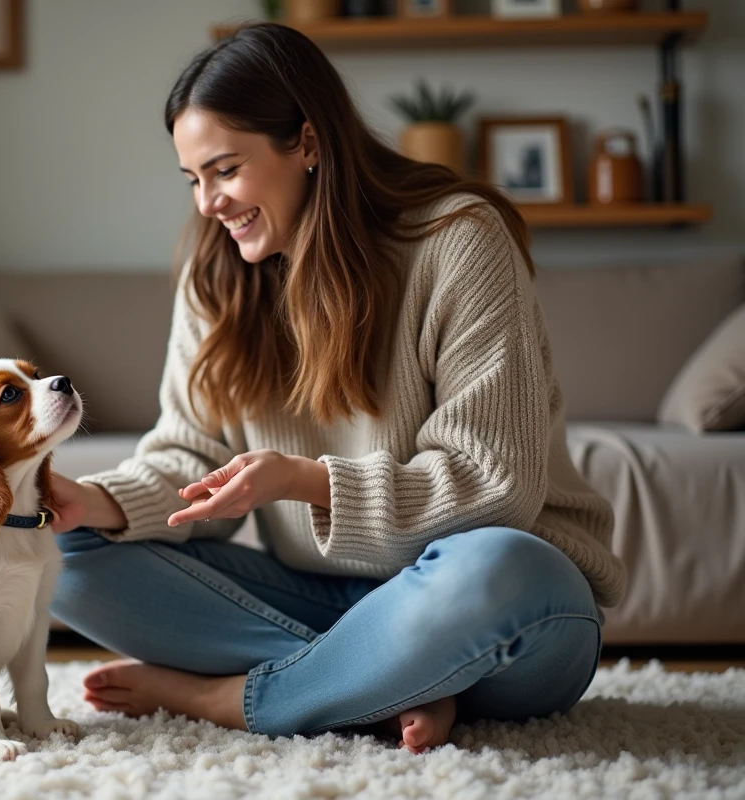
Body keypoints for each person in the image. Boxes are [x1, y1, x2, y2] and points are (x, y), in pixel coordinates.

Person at [45, 22, 626, 754]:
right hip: (323, 600)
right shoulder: (216, 274)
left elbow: (495, 486)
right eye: (193, 179)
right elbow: (193, 461)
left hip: (492, 609)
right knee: (55, 553)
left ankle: (249, 698)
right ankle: (376, 683)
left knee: (508, 567)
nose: (207, 204)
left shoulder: (459, 240)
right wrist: (96, 503)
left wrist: (305, 481)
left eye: (224, 170)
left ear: (309, 144)